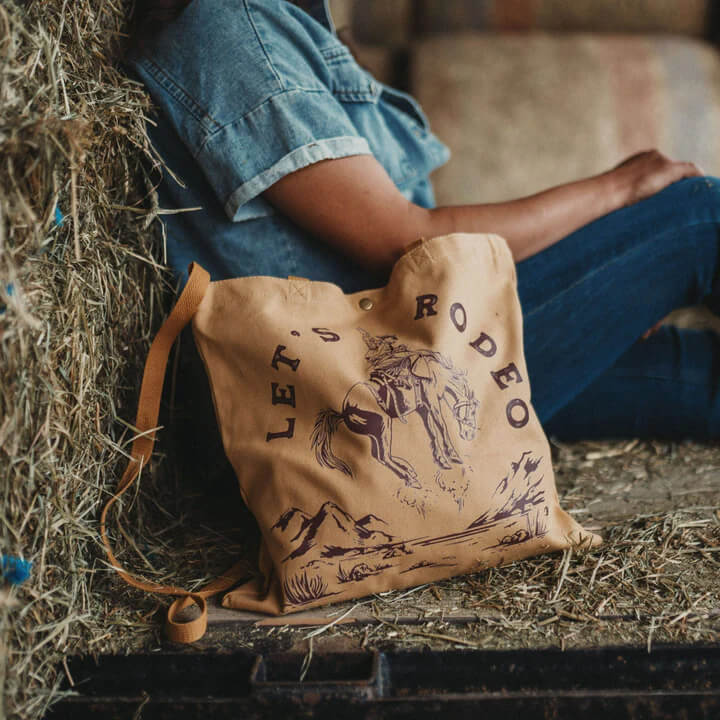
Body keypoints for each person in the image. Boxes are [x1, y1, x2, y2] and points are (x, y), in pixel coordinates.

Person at [123, 0, 720, 442]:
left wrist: (612, 287)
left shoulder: (272, 26)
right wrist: (619, 188)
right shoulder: (228, 32)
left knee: (692, 373)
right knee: (700, 216)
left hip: (402, 379)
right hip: (370, 400)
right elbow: (405, 241)